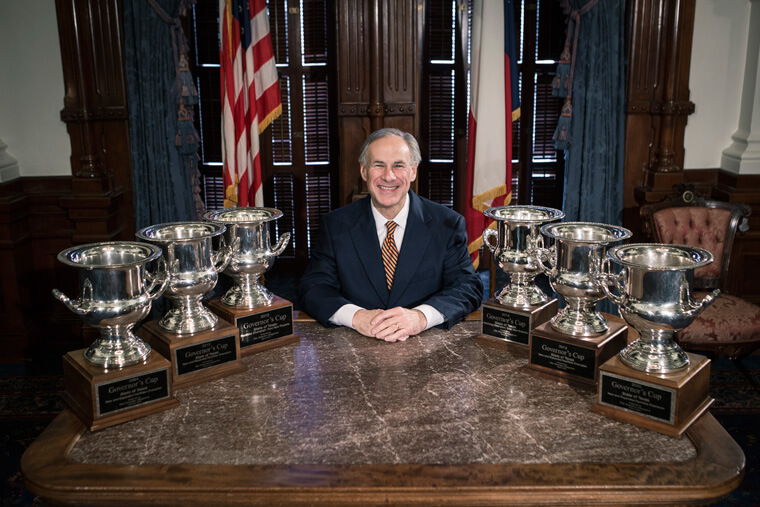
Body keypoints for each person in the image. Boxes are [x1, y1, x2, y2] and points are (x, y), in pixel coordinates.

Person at [298, 128, 483, 342]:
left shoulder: (447, 225)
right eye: (378, 165)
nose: (388, 176)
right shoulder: (336, 225)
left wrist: (421, 317)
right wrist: (356, 317)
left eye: (398, 165)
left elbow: (467, 287)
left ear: (413, 171)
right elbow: (313, 287)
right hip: (354, 346)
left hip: (425, 349)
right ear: (364, 171)